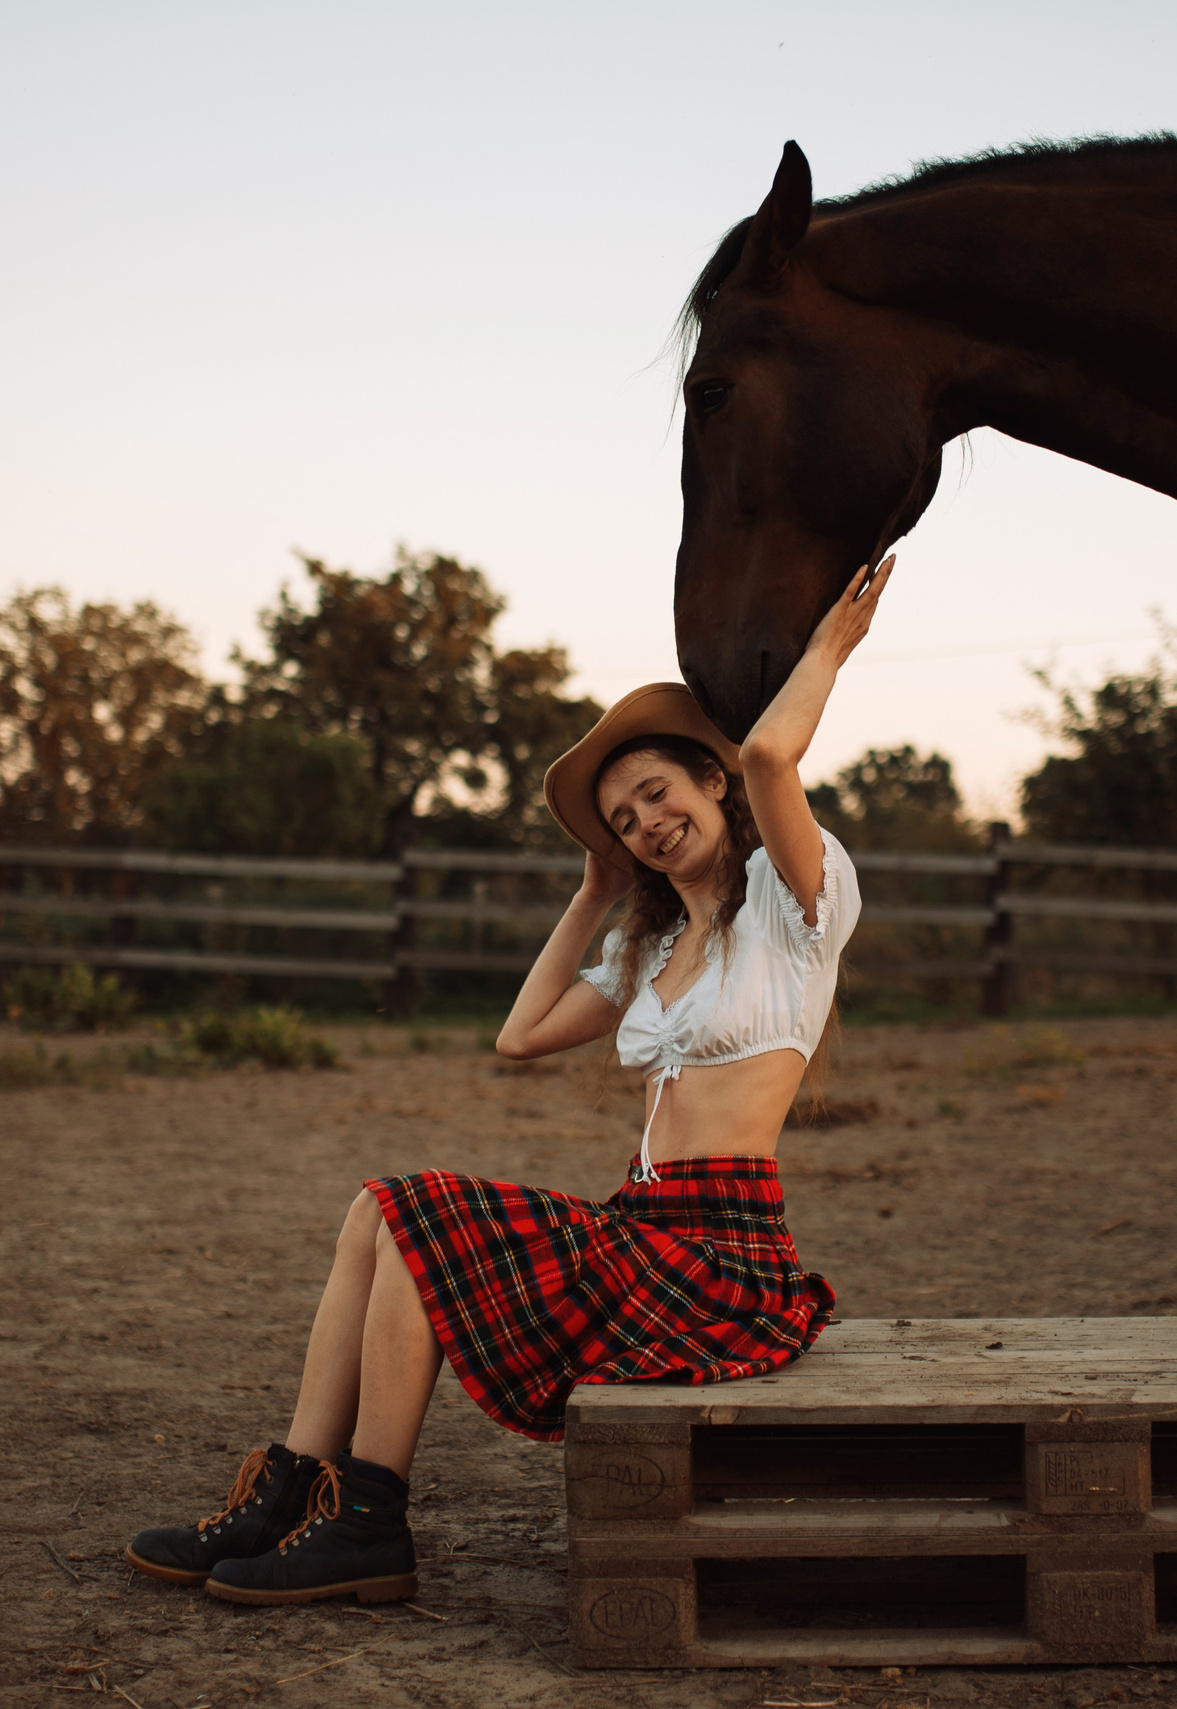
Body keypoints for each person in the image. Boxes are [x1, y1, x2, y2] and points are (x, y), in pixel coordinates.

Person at [123, 556, 895, 1606]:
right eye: (621, 817)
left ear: (709, 783)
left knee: (414, 1210)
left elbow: (769, 749)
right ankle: (293, 1490)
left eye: (656, 793)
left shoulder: (793, 907)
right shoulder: (655, 950)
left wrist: (827, 649)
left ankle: (368, 1520)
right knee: (376, 1211)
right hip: (644, 1229)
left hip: (723, 1261)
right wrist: (593, 893)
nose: (644, 822)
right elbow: (520, 1034)